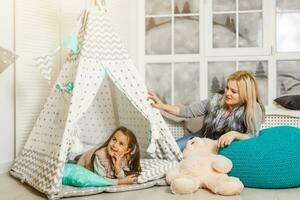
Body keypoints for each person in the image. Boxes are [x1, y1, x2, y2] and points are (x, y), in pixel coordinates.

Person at [148, 70, 265, 151]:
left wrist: (234, 134)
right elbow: (187, 111)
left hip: (222, 147)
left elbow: (253, 136)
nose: (227, 93)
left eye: (233, 91)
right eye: (227, 88)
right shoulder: (215, 99)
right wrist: (162, 106)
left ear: (245, 94)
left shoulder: (253, 108)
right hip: (201, 138)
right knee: (172, 151)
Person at [76, 126, 141, 185]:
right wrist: (121, 182)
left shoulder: (125, 158)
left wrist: (117, 166)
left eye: (121, 144)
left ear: (127, 150)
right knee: (74, 161)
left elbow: (123, 177)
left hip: (92, 154)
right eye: (114, 139)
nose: (115, 145)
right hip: (86, 159)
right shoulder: (100, 157)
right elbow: (100, 180)